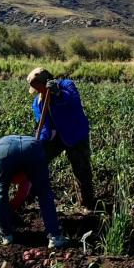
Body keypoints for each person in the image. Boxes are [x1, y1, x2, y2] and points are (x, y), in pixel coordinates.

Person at [27, 68, 96, 213]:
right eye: (35, 90)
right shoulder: (37, 102)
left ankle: (87, 204)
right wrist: (39, 142)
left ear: (46, 82)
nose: (38, 92)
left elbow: (74, 102)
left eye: (38, 88)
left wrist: (58, 93)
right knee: (37, 161)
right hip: (55, 137)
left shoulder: (66, 86)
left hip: (75, 134)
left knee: (81, 169)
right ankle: (28, 197)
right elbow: (43, 124)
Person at [0, 135, 66, 247]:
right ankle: (55, 238)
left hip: (5, 150)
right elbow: (23, 193)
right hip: (32, 148)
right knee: (44, 192)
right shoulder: (27, 172)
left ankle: (6, 236)